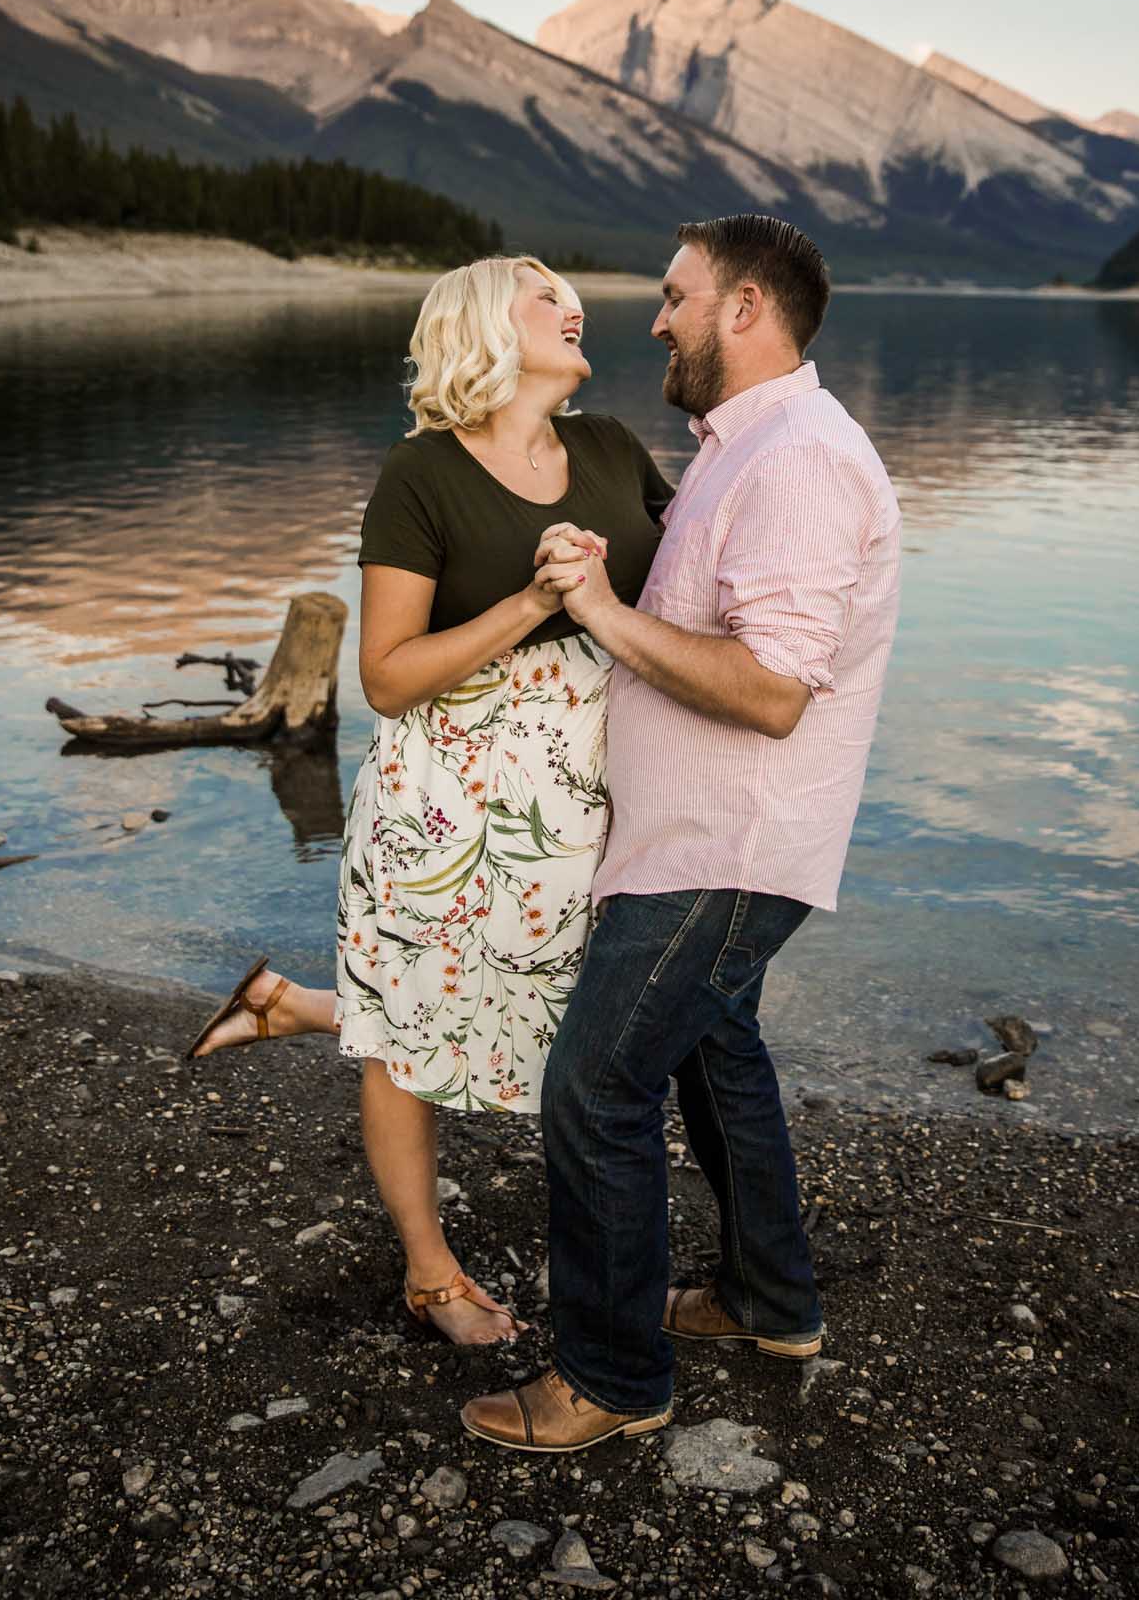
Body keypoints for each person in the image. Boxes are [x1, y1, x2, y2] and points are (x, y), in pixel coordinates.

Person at [461, 212, 902, 1451]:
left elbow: (769, 689)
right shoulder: (737, 446)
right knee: (718, 1054)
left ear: (745, 308)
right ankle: (769, 1298)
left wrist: (598, 609)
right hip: (693, 838)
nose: (651, 316)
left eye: (674, 294)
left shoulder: (801, 458)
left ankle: (609, 1377)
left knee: (596, 1083)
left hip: (729, 844)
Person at [187, 254, 673, 1346]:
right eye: (545, 295)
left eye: (571, 295)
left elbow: (692, 576)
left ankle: (291, 1001)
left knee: (571, 1022)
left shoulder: (609, 448)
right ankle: (429, 1270)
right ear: (484, 327)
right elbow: (387, 675)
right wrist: (536, 598)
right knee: (409, 1030)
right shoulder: (422, 472)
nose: (573, 305)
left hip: (595, 790)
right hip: (446, 800)